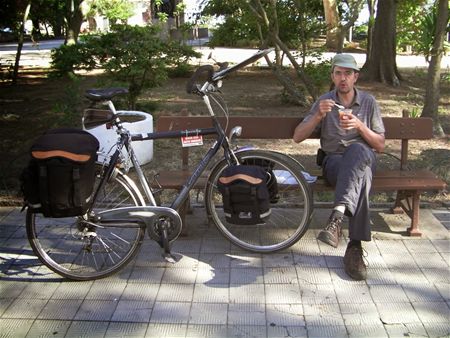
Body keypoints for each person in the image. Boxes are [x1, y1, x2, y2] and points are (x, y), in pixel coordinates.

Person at [293, 54, 385, 280]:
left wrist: (360, 126)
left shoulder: (369, 102)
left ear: (356, 77)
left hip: (364, 158)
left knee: (358, 150)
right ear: (332, 76)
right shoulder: (324, 101)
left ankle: (337, 217)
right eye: (338, 73)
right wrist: (317, 116)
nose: (343, 78)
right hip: (333, 161)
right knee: (360, 179)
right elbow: (297, 137)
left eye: (347, 73)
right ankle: (354, 247)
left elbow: (380, 145)